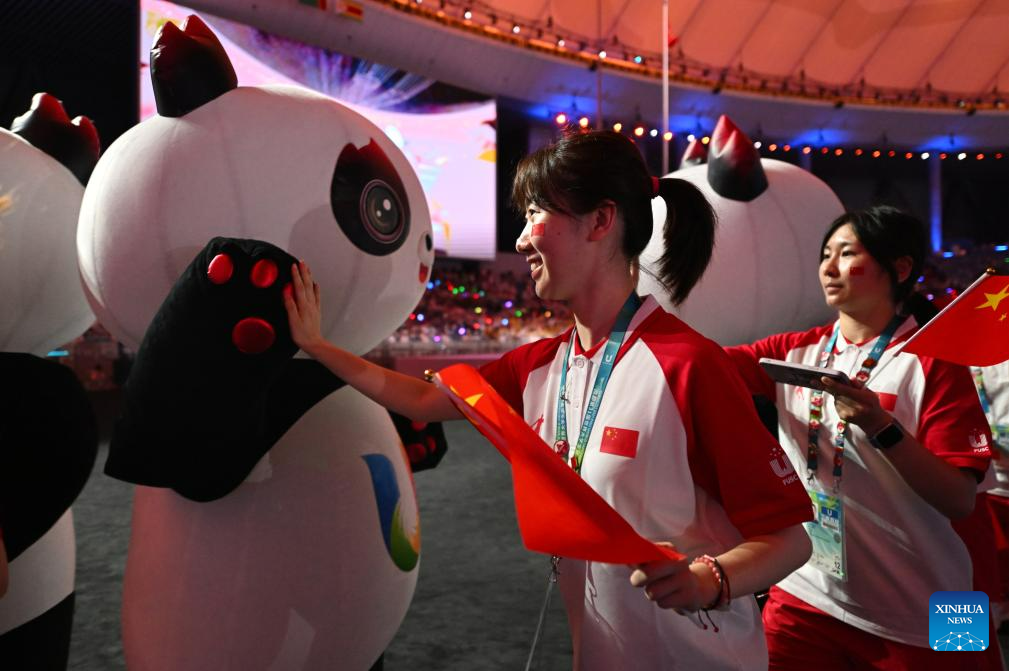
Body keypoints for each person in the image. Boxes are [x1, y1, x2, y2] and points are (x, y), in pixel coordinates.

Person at [285, 129, 812, 670]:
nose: (519, 242)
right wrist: (320, 346)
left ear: (601, 221)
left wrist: (708, 580)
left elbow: (791, 540)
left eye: (534, 213)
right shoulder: (537, 364)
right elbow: (423, 400)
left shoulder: (689, 365)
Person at [724, 206, 995, 670]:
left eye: (847, 253)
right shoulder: (793, 352)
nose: (828, 268)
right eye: (825, 254)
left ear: (901, 269)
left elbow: (959, 501)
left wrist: (881, 427)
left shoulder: (934, 363)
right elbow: (700, 364)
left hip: (935, 605)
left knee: (972, 656)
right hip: (807, 593)